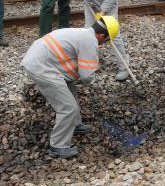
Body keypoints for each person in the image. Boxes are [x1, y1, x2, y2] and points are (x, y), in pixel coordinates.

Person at [21, 16, 120, 159]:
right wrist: (91, 76)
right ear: (101, 36)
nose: (103, 44)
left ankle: (75, 124)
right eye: (105, 41)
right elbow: (86, 76)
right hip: (41, 66)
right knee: (68, 107)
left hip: (41, 58)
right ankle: (58, 145)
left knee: (70, 88)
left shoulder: (83, 32)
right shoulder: (90, 41)